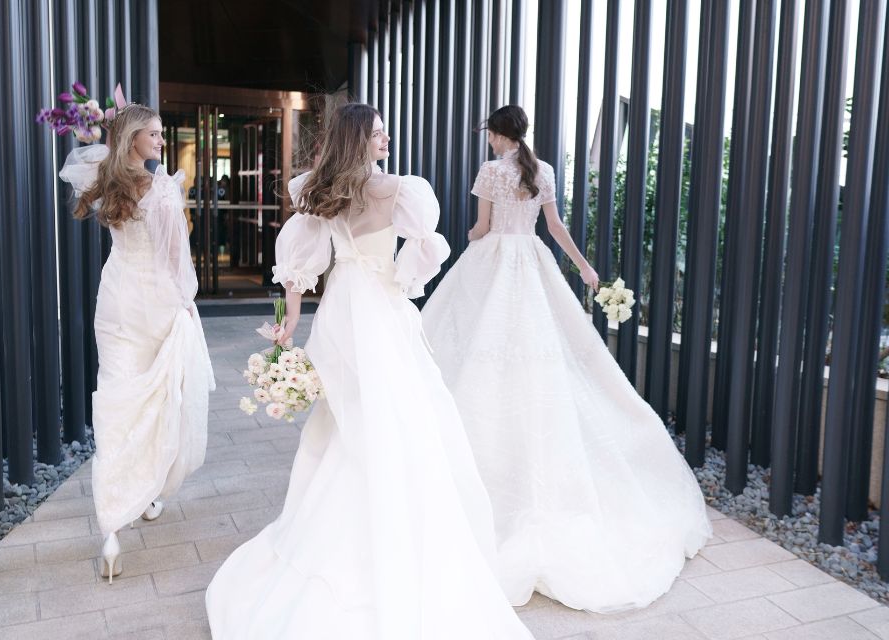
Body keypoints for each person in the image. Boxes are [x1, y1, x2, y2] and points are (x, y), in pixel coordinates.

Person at [205, 104, 532, 639]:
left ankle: (344, 527)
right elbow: (423, 250)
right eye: (378, 131)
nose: (386, 137)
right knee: (396, 421)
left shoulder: (320, 189)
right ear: (358, 139)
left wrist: (289, 325)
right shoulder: (400, 191)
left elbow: (298, 265)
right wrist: (398, 281)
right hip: (379, 309)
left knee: (349, 422)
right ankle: (387, 531)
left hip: (342, 311)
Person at [421, 105, 712, 613]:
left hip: (494, 262)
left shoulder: (491, 170)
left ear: (498, 133)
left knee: (477, 345)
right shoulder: (545, 170)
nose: (487, 140)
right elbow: (554, 227)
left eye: (488, 133)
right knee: (543, 352)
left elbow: (481, 229)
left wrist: (457, 244)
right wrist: (585, 269)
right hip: (532, 263)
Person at [59, 104, 215, 584]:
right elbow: (176, 262)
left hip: (116, 301)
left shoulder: (103, 180)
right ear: (132, 141)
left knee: (117, 400)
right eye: (154, 134)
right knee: (160, 398)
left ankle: (111, 531)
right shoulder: (162, 190)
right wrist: (187, 304)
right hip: (156, 302)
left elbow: (77, 164)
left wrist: (111, 131)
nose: (162, 142)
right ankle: (148, 490)